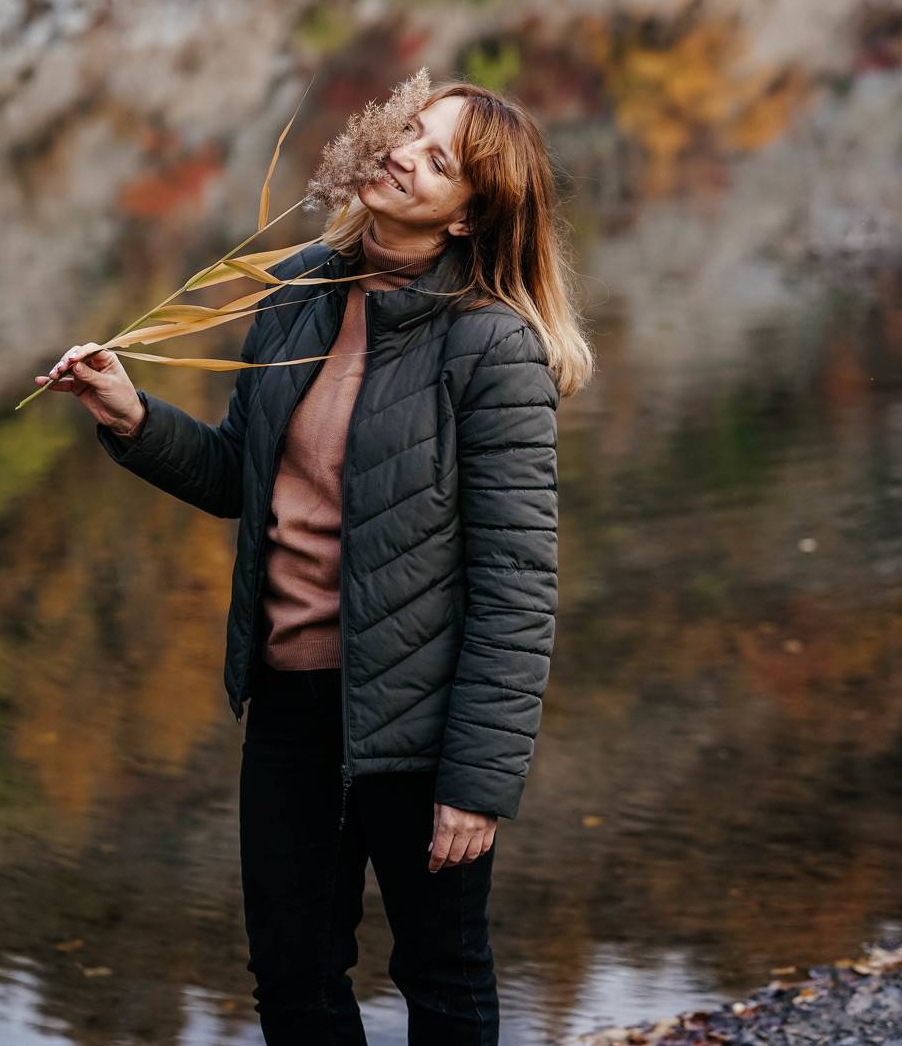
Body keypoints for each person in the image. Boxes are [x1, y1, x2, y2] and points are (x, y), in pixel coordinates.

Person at [37, 79, 595, 1045]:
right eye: (409, 130)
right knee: (292, 982)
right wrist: (130, 415)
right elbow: (241, 479)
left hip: (419, 726)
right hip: (290, 709)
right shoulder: (300, 289)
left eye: (438, 159)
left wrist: (477, 783)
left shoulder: (490, 347)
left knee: (443, 980)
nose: (404, 153)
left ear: (468, 216)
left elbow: (517, 589)